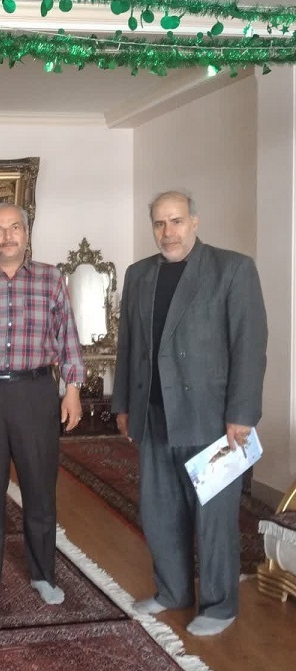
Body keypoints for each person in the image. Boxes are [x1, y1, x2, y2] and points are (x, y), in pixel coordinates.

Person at [112, 190, 267, 636]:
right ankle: (172, 591)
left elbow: (249, 346)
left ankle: (219, 605)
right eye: (160, 223)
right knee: (160, 510)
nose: (168, 232)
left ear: (194, 222)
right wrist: (123, 404)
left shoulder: (232, 269)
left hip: (212, 419)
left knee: (213, 516)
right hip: (154, 413)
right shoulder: (139, 274)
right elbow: (130, 345)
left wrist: (242, 412)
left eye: (177, 221)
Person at [0, 202, 85, 605]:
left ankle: (43, 574)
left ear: (26, 233)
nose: (7, 236)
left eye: (14, 228)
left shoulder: (51, 279)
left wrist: (72, 390)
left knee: (39, 488)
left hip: (36, 393)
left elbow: (67, 338)